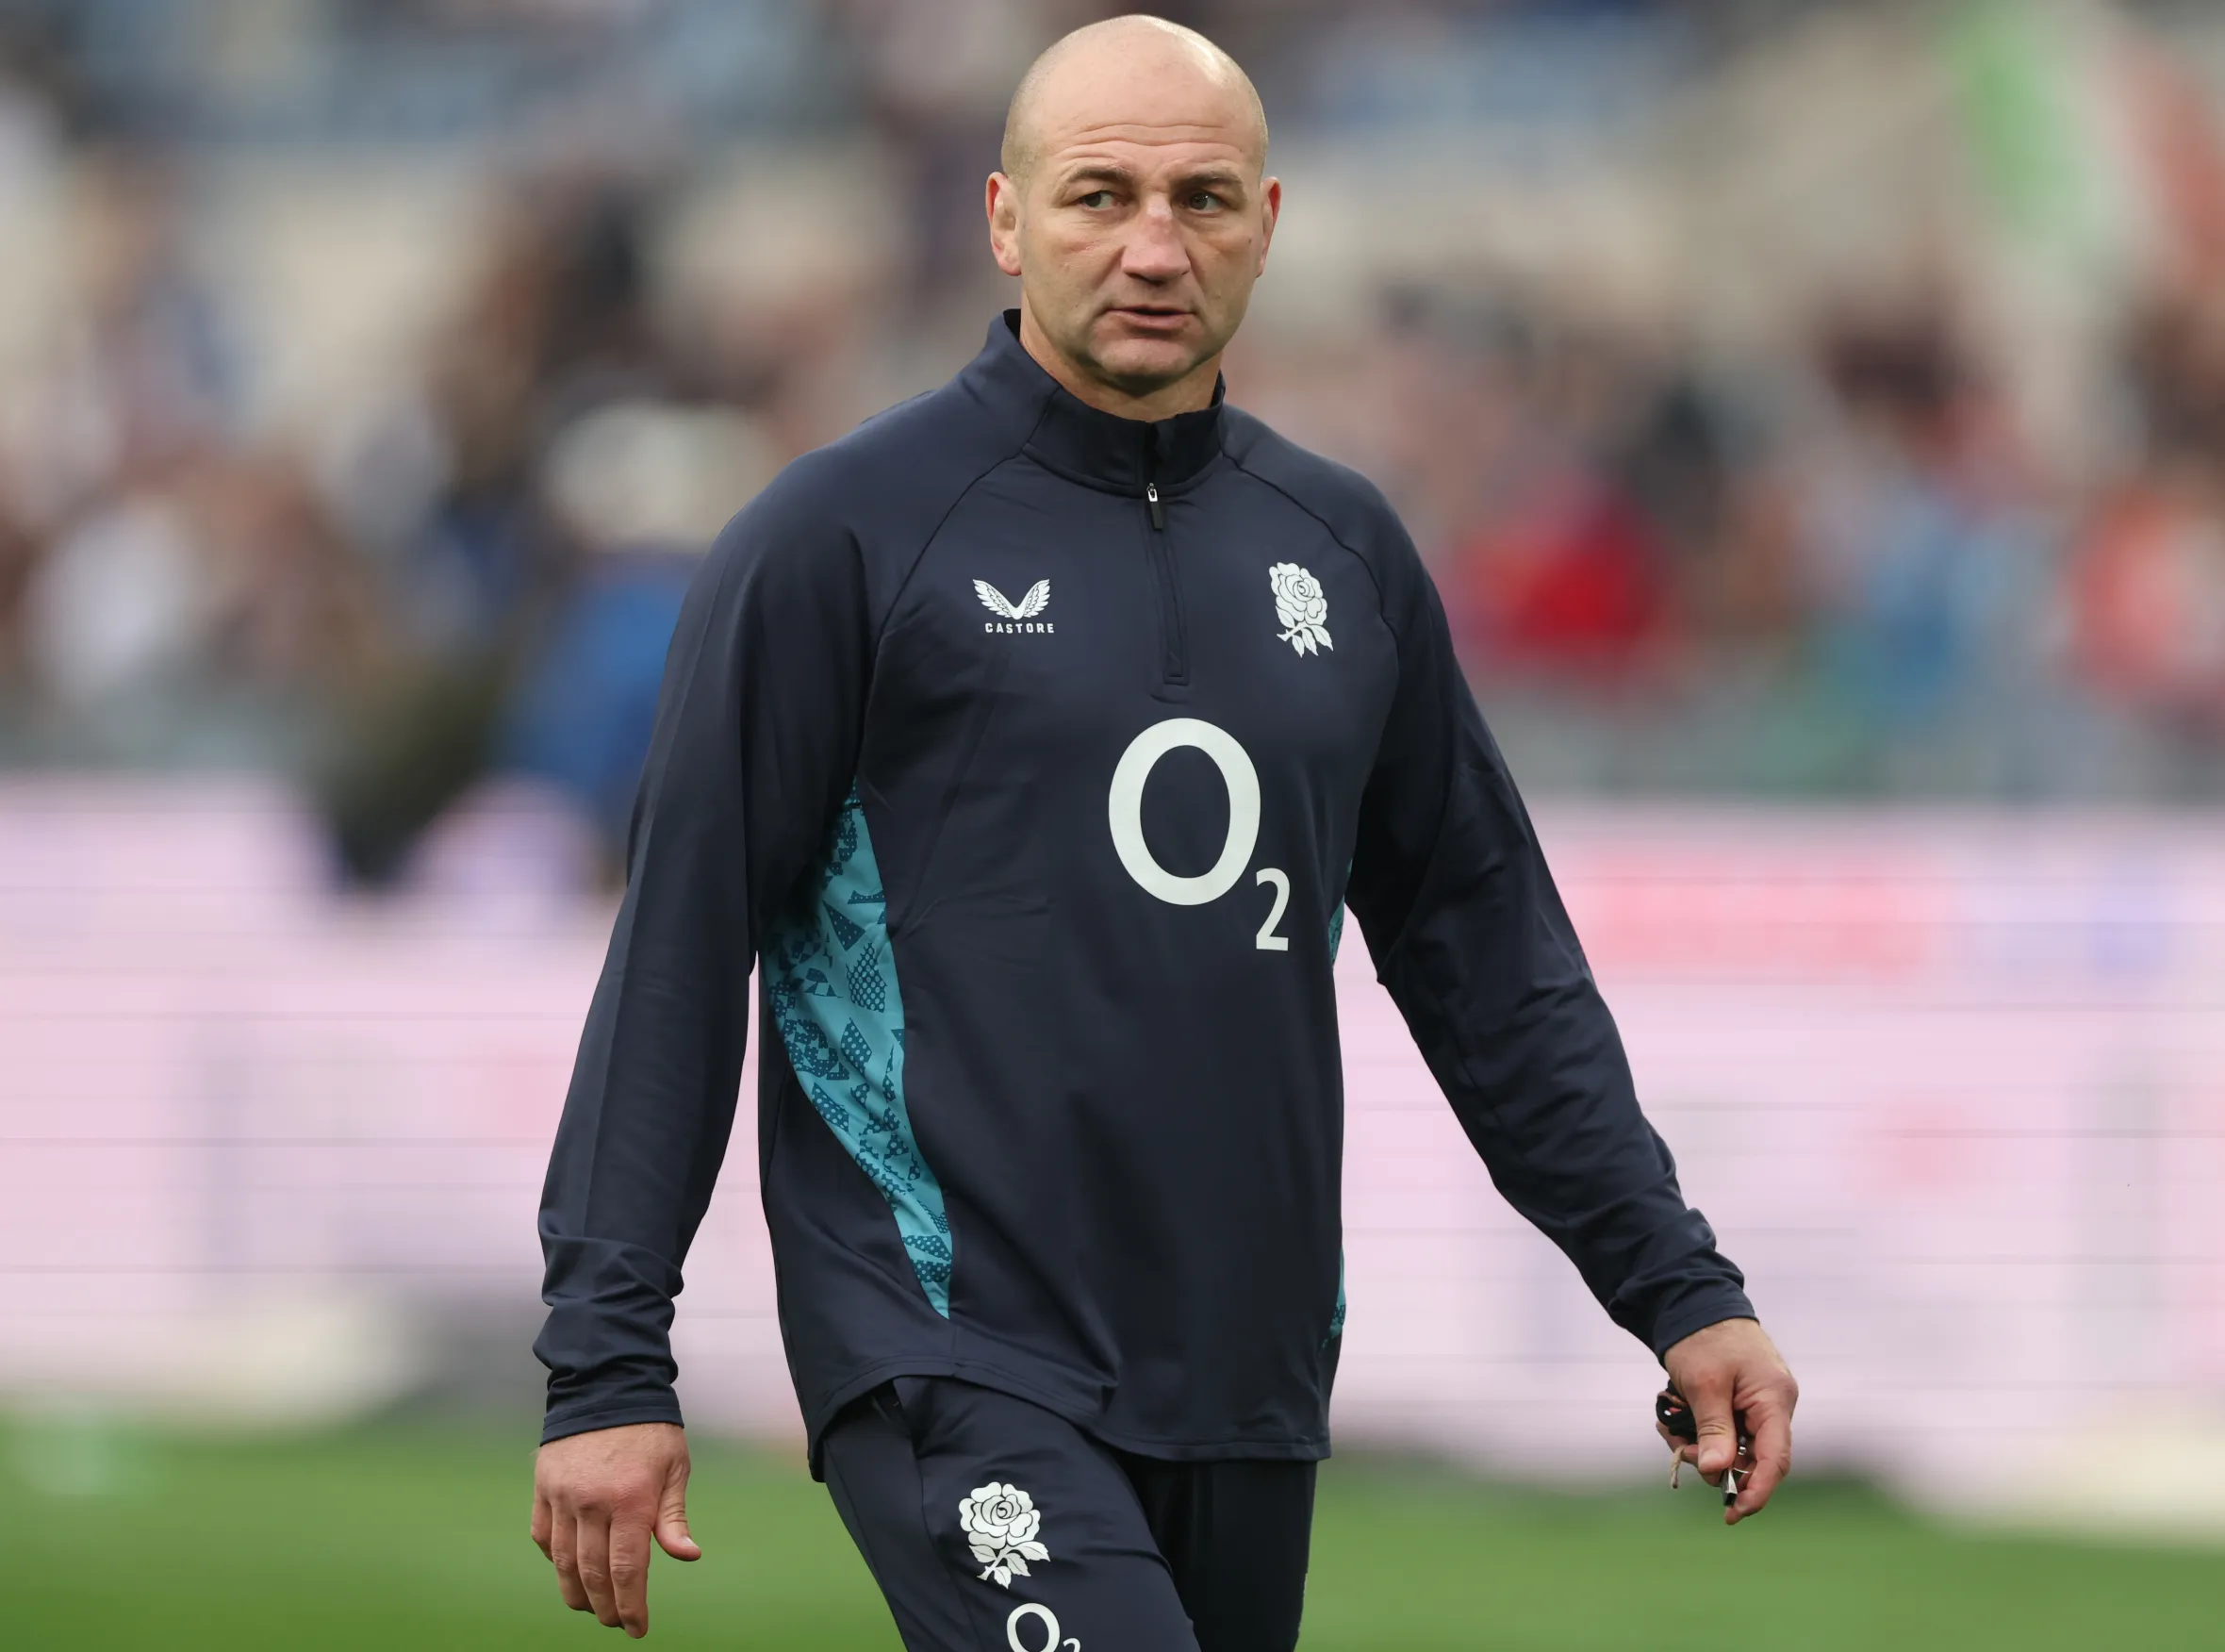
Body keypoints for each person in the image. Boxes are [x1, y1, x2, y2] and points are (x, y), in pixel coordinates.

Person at [529, 15, 1798, 1649]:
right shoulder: (839, 540)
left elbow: (1490, 957)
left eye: (1201, 199)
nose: (1151, 246)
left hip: (1248, 1373)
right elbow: (678, 956)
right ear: (1001, 219)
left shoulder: (1341, 550)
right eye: (1098, 197)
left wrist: (1678, 1286)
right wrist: (607, 1362)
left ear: (1268, 225)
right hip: (948, 1341)